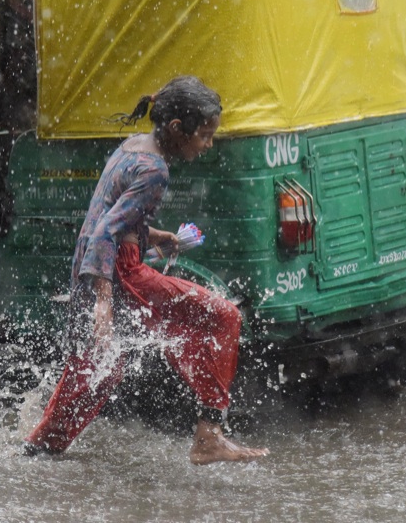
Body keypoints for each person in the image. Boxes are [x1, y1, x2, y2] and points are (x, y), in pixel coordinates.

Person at [24, 76, 269, 465]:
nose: (208, 145)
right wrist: (103, 301)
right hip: (119, 271)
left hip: (94, 264)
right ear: (176, 129)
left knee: (99, 368)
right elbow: (107, 230)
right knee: (225, 318)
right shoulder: (155, 170)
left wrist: (152, 235)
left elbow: (110, 218)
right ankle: (208, 437)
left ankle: (38, 450)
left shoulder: (132, 148)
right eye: (204, 135)